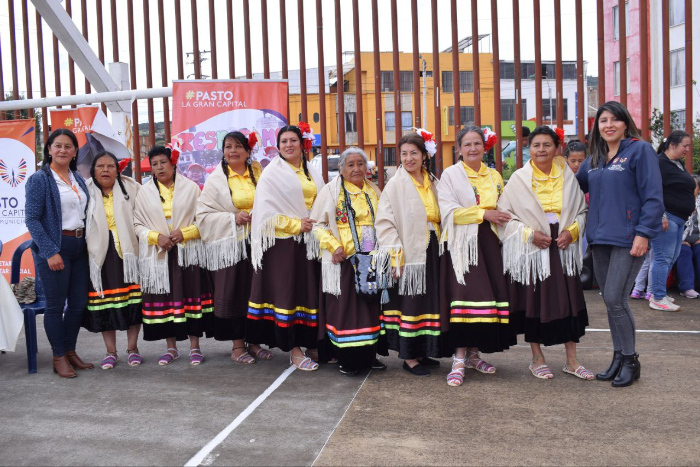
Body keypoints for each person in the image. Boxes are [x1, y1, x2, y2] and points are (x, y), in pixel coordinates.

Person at [577, 101, 664, 387]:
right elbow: (571, 185)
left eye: (615, 120)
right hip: (600, 239)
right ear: (597, 127)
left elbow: (653, 196)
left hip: (629, 238)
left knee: (616, 298)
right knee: (610, 300)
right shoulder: (595, 159)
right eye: (603, 121)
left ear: (625, 123)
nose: (609, 125)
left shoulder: (639, 151)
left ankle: (630, 360)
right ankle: (618, 356)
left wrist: (644, 234)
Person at [498, 126, 591, 381]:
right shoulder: (518, 178)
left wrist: (572, 231)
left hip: (562, 244)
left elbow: (582, 211)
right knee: (534, 301)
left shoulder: (568, 177)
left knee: (569, 300)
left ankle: (572, 360)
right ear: (529, 147)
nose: (541, 150)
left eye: (547, 145)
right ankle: (536, 358)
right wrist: (529, 235)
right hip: (534, 246)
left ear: (557, 148)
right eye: (536, 145)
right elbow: (505, 216)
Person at [438, 126, 514, 387]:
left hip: (490, 242)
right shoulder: (450, 175)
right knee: (465, 297)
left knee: (485, 298)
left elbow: (505, 205)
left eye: (477, 144)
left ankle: (473, 354)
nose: (472, 149)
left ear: (485, 147)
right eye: (467, 144)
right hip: (464, 246)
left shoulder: (493, 175)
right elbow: (448, 212)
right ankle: (458, 358)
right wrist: (484, 214)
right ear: (458, 149)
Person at [247, 124, 325, 371]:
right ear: (278, 147)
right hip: (283, 245)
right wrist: (295, 224)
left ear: (302, 144)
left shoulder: (312, 171)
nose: (289, 145)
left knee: (309, 293)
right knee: (288, 295)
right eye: (284, 142)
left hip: (310, 242)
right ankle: (294, 351)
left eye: (293, 140)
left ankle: (311, 343)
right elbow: (265, 215)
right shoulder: (272, 173)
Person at [196, 131, 273, 364]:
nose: (233, 151)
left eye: (238, 146)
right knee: (235, 293)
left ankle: (256, 343)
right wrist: (232, 218)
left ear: (248, 151)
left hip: (259, 244)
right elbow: (203, 214)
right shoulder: (217, 180)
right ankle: (238, 346)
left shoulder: (259, 174)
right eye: (228, 146)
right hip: (231, 245)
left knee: (257, 293)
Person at [375, 130, 447, 377]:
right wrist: (396, 255)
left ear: (424, 155)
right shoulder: (395, 184)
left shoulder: (433, 181)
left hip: (433, 246)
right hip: (408, 251)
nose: (408, 159)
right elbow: (384, 222)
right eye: (403, 154)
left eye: (413, 153)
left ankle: (424, 349)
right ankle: (409, 356)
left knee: (429, 301)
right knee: (411, 302)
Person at [133, 146, 213, 366]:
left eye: (163, 162)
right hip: (159, 254)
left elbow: (204, 220)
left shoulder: (191, 189)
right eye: (155, 164)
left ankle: (195, 347)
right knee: (166, 301)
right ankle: (171, 348)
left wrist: (185, 233)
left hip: (188, 253)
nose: (159, 167)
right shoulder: (144, 192)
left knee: (190, 297)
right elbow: (137, 224)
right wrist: (155, 237)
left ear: (173, 163)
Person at [311, 147, 387, 376]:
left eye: (360, 164)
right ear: (341, 169)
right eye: (350, 165)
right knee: (346, 311)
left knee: (371, 309)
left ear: (367, 168)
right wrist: (334, 246)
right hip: (343, 261)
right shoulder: (331, 191)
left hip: (371, 261)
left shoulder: (374, 190)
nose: (356, 169)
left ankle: (369, 356)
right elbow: (317, 225)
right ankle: (347, 359)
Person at [25, 129, 92, 378]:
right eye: (58, 146)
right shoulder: (40, 179)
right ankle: (58, 356)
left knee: (77, 304)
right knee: (55, 306)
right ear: (49, 149)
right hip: (55, 248)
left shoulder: (77, 178)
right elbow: (32, 219)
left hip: (79, 247)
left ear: (75, 151)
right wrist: (50, 251)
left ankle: (71, 350)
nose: (63, 150)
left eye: (68, 146)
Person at [83, 152, 143, 369]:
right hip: (99, 255)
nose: (106, 170)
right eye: (101, 166)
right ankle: (110, 351)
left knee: (132, 301)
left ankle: (133, 349)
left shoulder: (132, 188)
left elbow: (143, 215)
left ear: (118, 170)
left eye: (111, 166)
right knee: (104, 304)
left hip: (127, 253)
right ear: (93, 170)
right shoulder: (84, 190)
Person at [648, 130, 695, 311]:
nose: (687, 149)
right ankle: (658, 297)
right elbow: (652, 190)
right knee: (662, 257)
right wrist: (661, 215)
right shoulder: (659, 163)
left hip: (679, 218)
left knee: (671, 257)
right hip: (667, 218)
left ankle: (658, 292)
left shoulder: (677, 163)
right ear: (672, 145)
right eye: (685, 146)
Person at [676, 176, 700, 299]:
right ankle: (687, 288)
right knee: (684, 251)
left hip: (696, 238)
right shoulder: (678, 201)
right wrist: (681, 240)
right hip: (678, 239)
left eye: (694, 187)